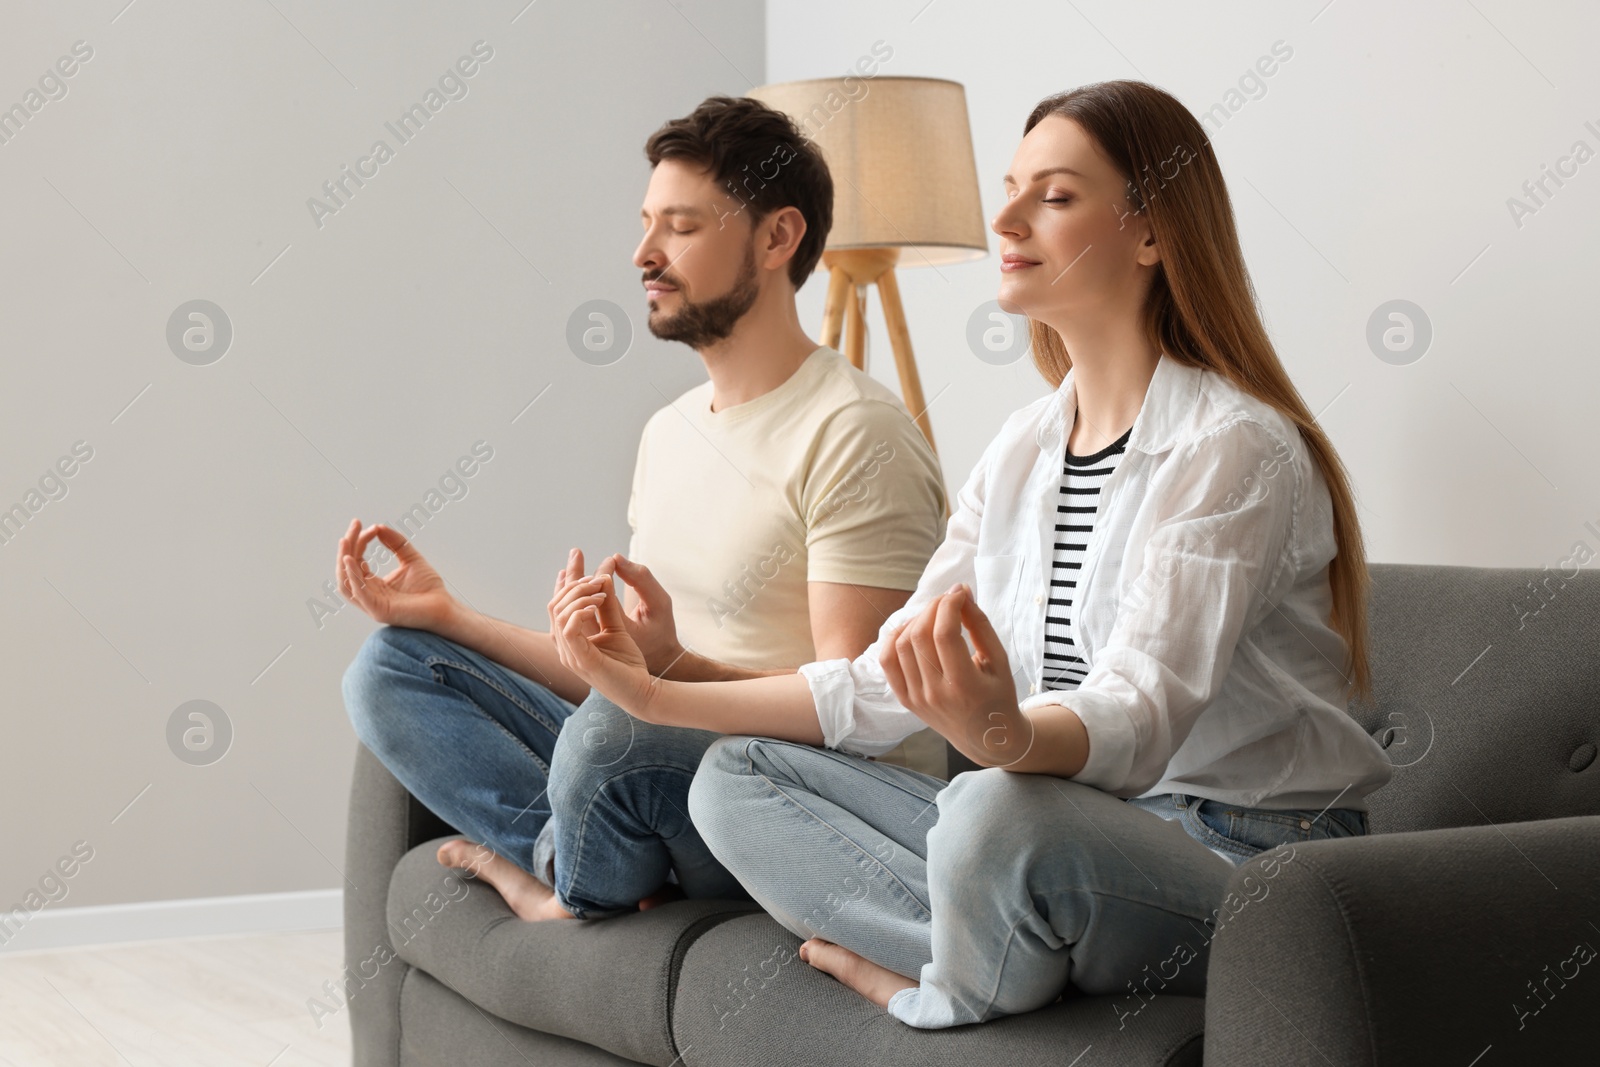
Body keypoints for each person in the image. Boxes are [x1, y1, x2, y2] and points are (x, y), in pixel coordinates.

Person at [542, 79, 1394, 1028]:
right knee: (736, 775)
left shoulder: (1234, 447)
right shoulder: (1025, 446)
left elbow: (1140, 713)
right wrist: (654, 691)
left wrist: (1007, 737)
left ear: (1152, 233)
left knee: (996, 811)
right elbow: (871, 686)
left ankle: (949, 975)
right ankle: (1006, 953)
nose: (1006, 217)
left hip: (1241, 859)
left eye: (1055, 196)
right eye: (1011, 187)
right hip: (1062, 830)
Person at [338, 95, 949, 925]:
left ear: (777, 237)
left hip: (779, 794)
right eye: (646, 223)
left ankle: (558, 882)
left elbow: (859, 717)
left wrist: (666, 684)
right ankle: (577, 860)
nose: (644, 254)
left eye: (683, 227)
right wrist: (448, 616)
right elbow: (628, 676)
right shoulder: (669, 433)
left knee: (612, 734)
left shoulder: (856, 432)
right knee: (394, 666)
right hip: (657, 756)